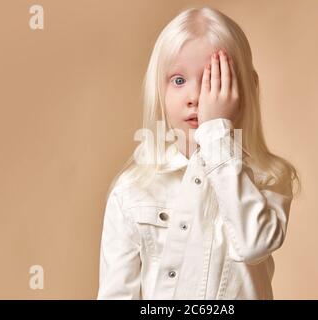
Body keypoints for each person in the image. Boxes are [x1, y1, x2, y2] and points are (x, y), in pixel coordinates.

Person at [97, 6, 300, 300]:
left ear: (246, 88)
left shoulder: (269, 178)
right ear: (160, 89)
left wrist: (216, 131)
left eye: (213, 80)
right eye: (179, 81)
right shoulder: (132, 190)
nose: (195, 98)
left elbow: (254, 244)